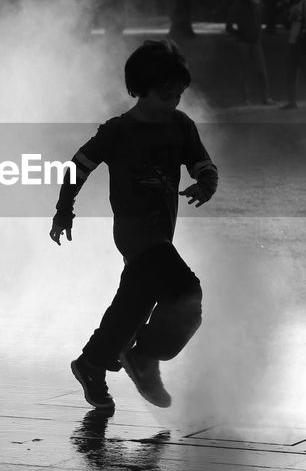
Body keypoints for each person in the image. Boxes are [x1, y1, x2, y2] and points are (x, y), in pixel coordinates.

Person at [51, 40, 219, 411]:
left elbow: (202, 163)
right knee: (187, 294)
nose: (173, 102)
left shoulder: (180, 126)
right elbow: (78, 167)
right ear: (140, 90)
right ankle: (144, 357)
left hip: (161, 231)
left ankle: (92, 363)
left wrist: (206, 184)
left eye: (178, 95)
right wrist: (65, 209)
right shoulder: (118, 131)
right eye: (165, 96)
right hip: (135, 233)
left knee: (134, 304)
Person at [224, 0, 270, 104]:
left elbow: (259, 19)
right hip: (243, 42)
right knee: (245, 71)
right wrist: (239, 32)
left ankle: (264, 97)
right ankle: (245, 98)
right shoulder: (237, 5)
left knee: (261, 71)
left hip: (255, 41)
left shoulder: (256, 4)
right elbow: (229, 26)